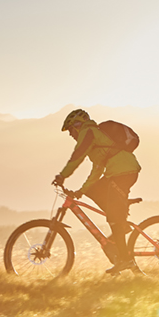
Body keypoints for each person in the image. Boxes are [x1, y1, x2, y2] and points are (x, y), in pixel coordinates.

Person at [53, 109, 142, 274]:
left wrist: (62, 175)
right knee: (93, 190)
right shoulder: (98, 141)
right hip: (120, 172)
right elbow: (97, 170)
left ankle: (125, 259)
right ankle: (119, 216)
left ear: (78, 125)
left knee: (114, 219)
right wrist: (81, 191)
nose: (71, 135)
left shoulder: (89, 132)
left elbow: (77, 155)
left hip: (123, 172)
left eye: (71, 130)